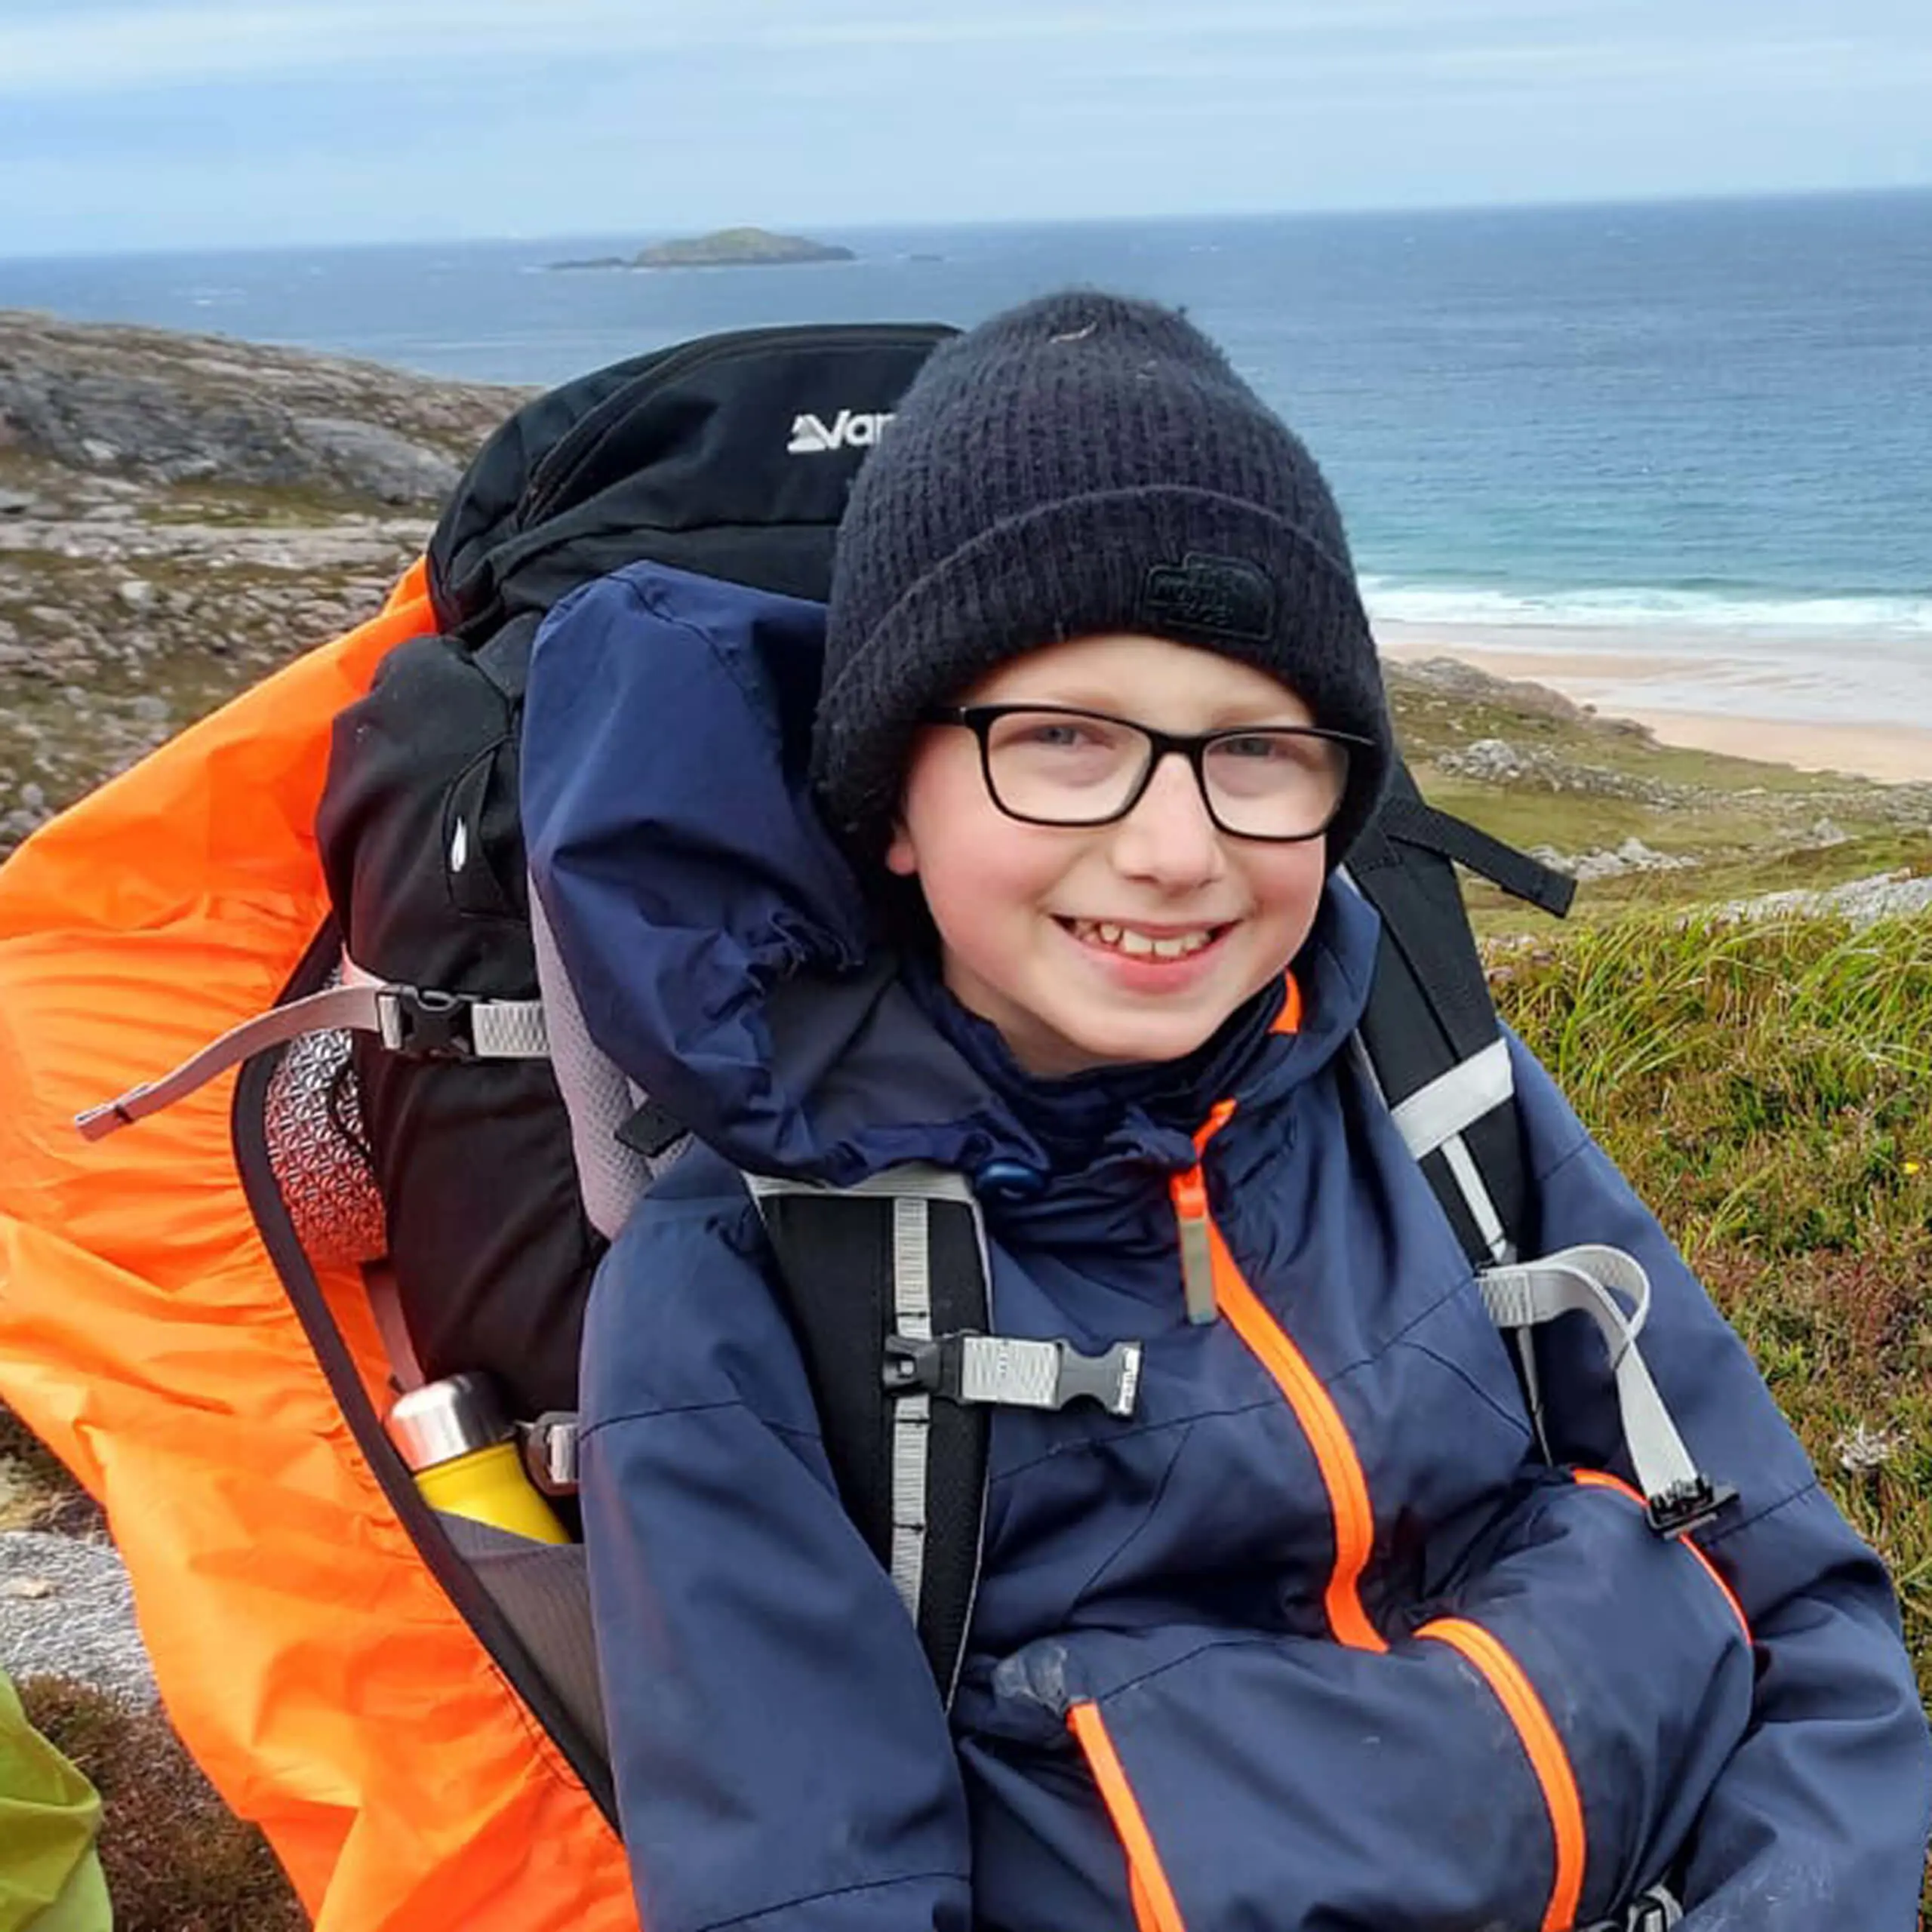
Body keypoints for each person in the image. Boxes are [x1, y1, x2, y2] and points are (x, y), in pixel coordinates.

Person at [527, 291, 1932, 1931]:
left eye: (1256, 750)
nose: (1176, 846)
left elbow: (1803, 1610)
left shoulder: (1423, 1070)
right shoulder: (744, 1282)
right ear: (886, 795)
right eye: (1059, 739)